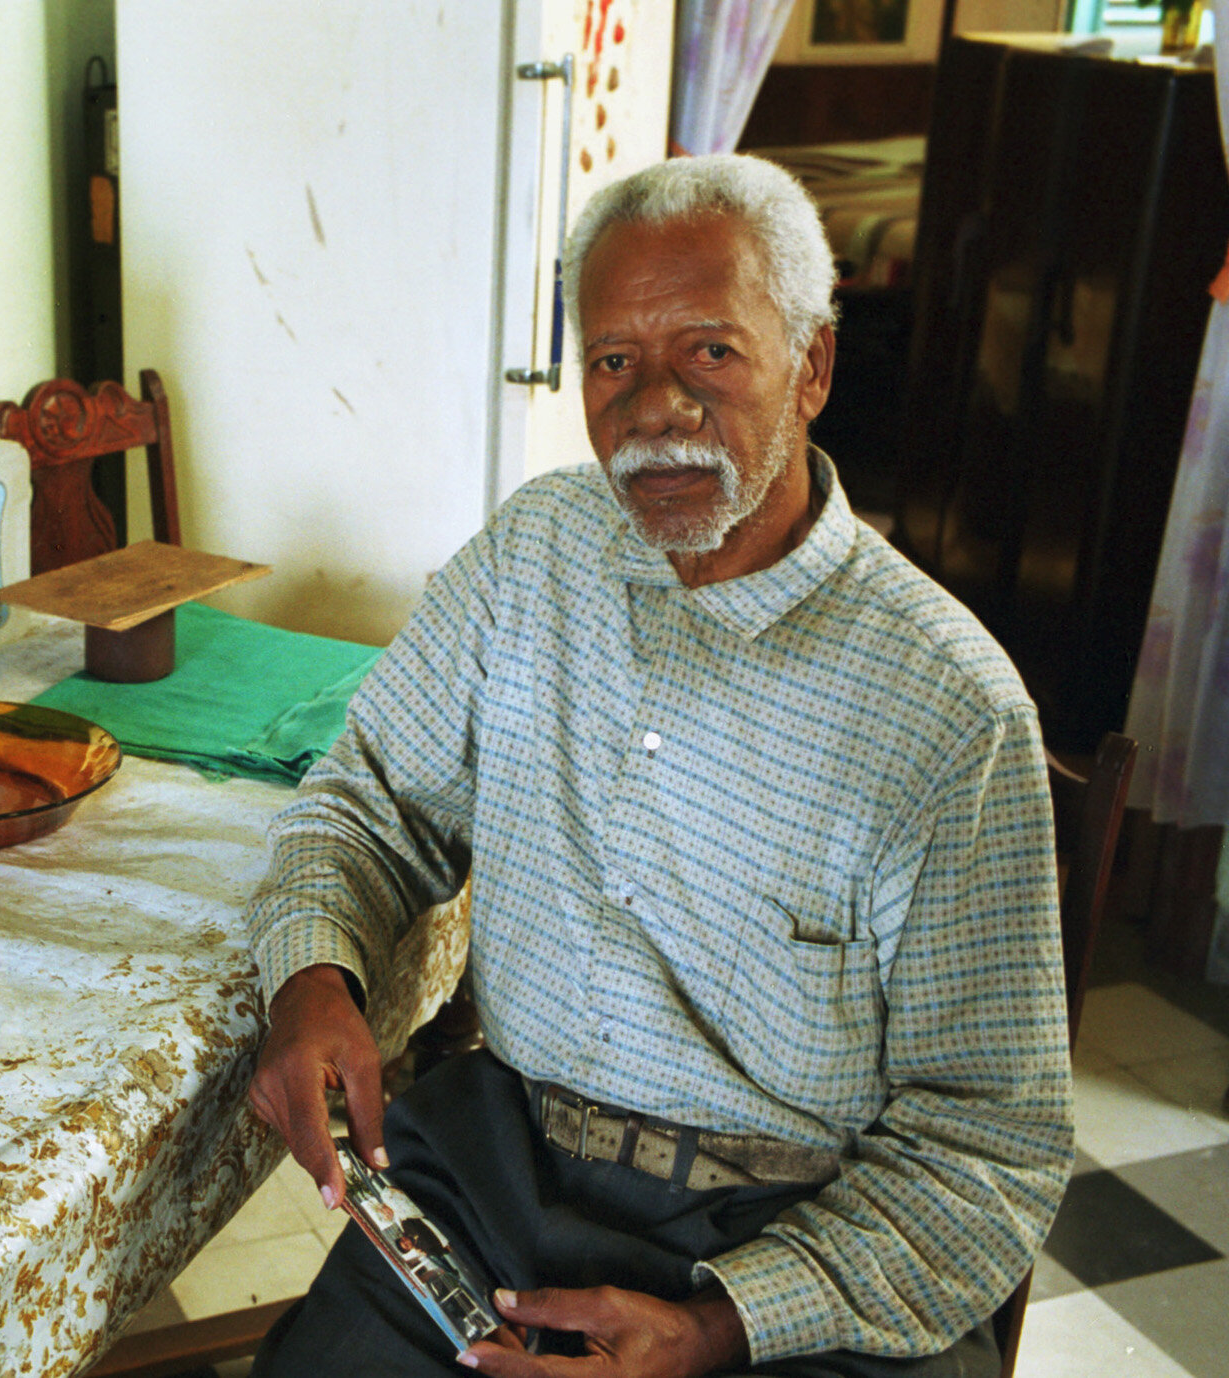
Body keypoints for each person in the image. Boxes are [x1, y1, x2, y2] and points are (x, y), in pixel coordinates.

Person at [242, 153, 1072, 1377]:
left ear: (814, 367)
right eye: (613, 362)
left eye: (710, 353)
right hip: (498, 1175)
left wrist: (718, 1324)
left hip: (795, 1234)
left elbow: (987, 1151)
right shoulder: (538, 552)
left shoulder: (946, 713)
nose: (653, 410)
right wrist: (310, 975)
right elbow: (366, 799)